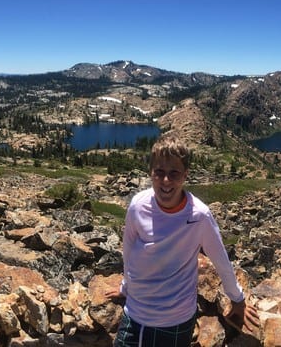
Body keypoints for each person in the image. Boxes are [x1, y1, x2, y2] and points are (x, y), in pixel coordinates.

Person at [105, 137, 259, 346]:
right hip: (137, 314)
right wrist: (125, 288)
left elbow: (220, 259)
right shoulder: (137, 206)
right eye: (159, 172)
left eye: (174, 173)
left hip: (176, 320)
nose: (166, 180)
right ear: (151, 173)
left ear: (185, 175)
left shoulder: (199, 215)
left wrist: (237, 299)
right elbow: (129, 250)